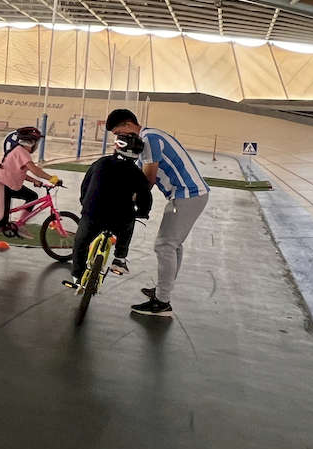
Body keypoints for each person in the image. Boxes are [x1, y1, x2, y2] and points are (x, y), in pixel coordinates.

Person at [106, 108, 210, 317]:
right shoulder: (150, 135)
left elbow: (147, 180)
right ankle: (164, 291)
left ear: (128, 125)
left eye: (118, 133)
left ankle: (162, 301)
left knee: (165, 245)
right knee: (173, 245)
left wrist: (129, 201)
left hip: (187, 195)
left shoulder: (148, 140)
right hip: (189, 194)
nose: (119, 138)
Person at [63, 133, 152, 290]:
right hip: (120, 217)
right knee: (127, 227)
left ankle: (77, 275)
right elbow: (145, 196)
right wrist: (143, 212)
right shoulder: (136, 173)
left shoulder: (100, 163)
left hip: (92, 213)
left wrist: (84, 202)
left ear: (117, 147)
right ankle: (119, 258)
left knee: (81, 242)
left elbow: (86, 185)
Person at [0, 126, 59, 258]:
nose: (37, 145)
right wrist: (52, 178)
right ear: (31, 142)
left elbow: (18, 171)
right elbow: (35, 170)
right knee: (1, 218)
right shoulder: (21, 152)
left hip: (9, 185)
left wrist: (34, 181)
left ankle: (19, 225)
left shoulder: (19, 152)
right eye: (36, 142)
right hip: (0, 184)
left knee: (32, 196)